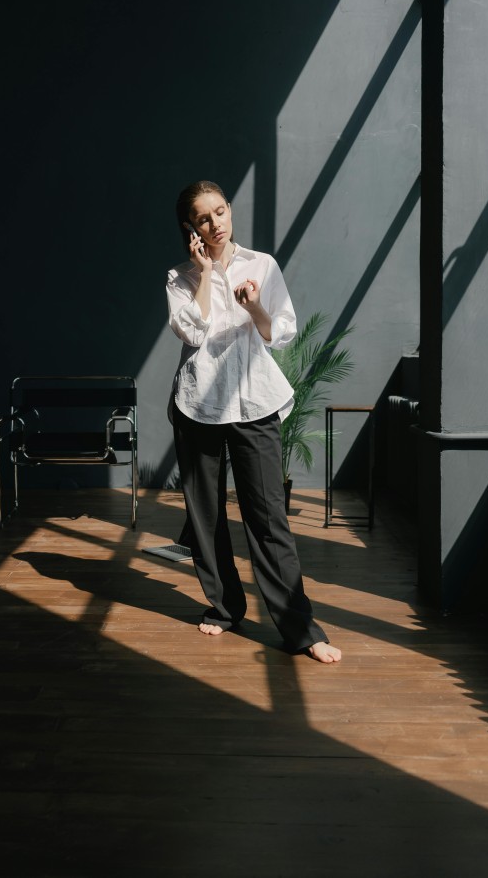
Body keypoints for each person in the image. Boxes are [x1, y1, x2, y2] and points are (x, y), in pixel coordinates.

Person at [166, 180, 341, 664]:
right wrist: (206, 274)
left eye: (220, 211)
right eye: (203, 218)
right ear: (190, 228)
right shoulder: (179, 277)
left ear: (229, 210)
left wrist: (254, 306)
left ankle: (300, 629)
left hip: (254, 403)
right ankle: (225, 608)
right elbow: (190, 332)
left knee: (268, 518)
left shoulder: (262, 264)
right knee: (205, 516)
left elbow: (279, 333)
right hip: (197, 404)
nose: (215, 224)